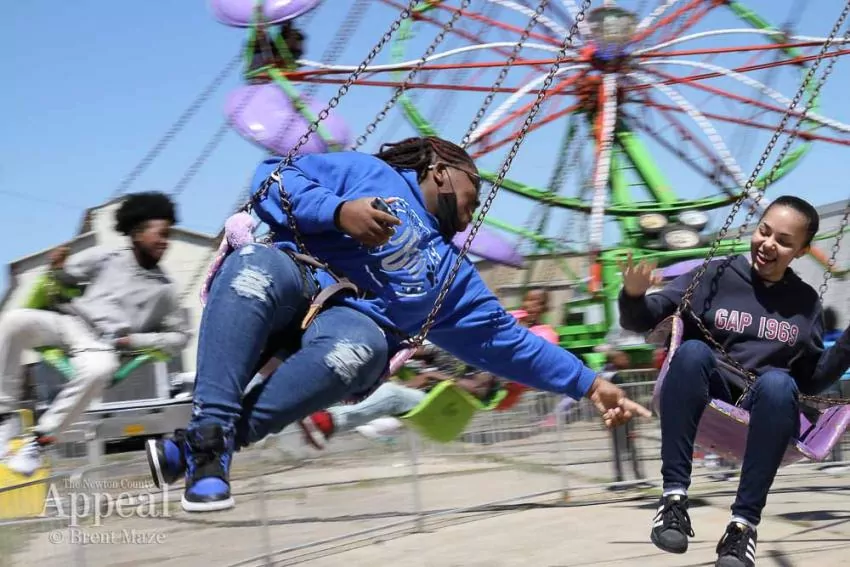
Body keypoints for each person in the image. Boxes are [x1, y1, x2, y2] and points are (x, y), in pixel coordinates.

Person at [145, 135, 650, 513]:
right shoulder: (367, 173)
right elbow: (272, 178)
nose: (473, 212)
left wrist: (590, 384)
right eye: (473, 192)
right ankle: (209, 431)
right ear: (440, 169)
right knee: (253, 267)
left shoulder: (451, 276)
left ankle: (204, 448)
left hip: (351, 325)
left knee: (361, 348)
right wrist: (339, 212)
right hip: (292, 274)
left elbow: (508, 342)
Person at [618, 195, 850, 567]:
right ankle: (674, 499)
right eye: (764, 232)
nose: (768, 244)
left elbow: (811, 380)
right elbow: (645, 318)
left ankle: (742, 527)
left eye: (783, 241)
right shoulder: (716, 275)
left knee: (779, 384)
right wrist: (633, 295)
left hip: (766, 407)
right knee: (692, 352)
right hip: (710, 391)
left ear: (802, 251)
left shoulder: (806, 303)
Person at [0, 192, 191, 474]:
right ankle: (4, 417)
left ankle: (39, 443)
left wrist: (135, 340)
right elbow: (65, 277)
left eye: (168, 235)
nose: (166, 241)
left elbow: (180, 336)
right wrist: (57, 266)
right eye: (161, 234)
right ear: (137, 233)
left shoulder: (165, 290)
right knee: (13, 321)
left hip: (103, 344)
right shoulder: (107, 257)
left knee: (100, 369)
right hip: (70, 322)